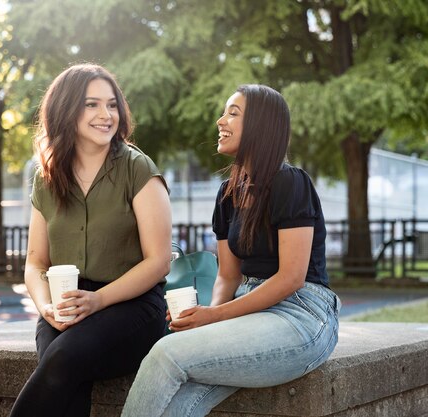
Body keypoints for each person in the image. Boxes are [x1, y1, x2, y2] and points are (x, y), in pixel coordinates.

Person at [122, 84, 341, 417]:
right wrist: (204, 319)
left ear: (261, 126)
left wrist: (214, 317)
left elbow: (291, 278)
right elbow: (227, 275)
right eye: (224, 112)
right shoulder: (228, 194)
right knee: (180, 400)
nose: (220, 121)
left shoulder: (290, 183)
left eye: (233, 113)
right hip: (249, 311)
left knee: (166, 354)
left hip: (303, 317)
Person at [9, 63, 172, 417]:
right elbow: (36, 262)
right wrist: (46, 307)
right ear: (66, 110)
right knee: (66, 375)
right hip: (66, 306)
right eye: (92, 104)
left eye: (112, 105)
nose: (106, 114)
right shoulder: (47, 177)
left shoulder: (138, 169)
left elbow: (159, 260)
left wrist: (97, 300)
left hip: (132, 308)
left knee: (63, 358)